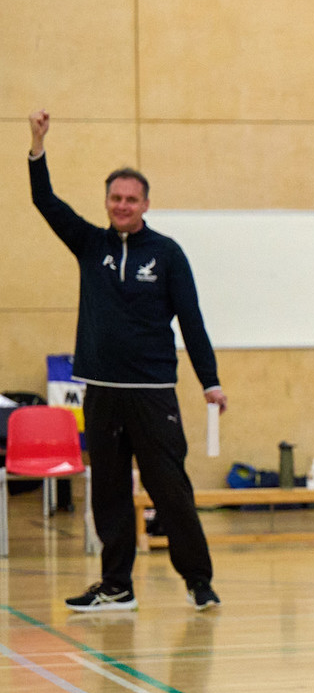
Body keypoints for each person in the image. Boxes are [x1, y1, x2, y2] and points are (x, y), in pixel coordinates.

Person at [27, 110, 226, 613]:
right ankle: (116, 585)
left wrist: (210, 382)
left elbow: (192, 321)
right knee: (109, 494)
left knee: (170, 490)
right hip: (102, 391)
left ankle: (198, 582)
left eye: (130, 199)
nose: (121, 205)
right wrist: (37, 143)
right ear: (107, 202)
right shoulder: (90, 244)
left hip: (153, 393)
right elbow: (45, 202)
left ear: (145, 204)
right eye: (115, 198)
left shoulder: (167, 253)